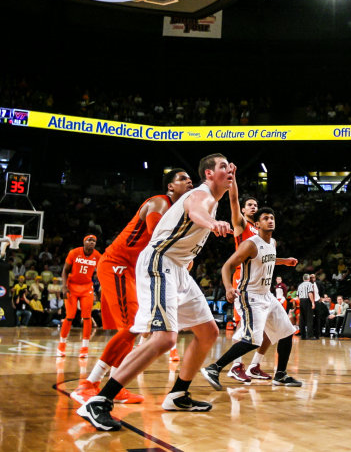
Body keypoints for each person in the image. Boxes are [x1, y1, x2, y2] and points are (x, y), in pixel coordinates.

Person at [77, 153, 233, 432]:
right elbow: (196, 211)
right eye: (223, 166)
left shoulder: (216, 198)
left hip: (179, 270)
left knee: (208, 332)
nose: (229, 170)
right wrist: (211, 224)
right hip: (160, 262)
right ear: (208, 174)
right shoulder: (201, 194)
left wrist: (230, 187)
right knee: (164, 338)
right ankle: (99, 400)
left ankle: (178, 394)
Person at [70, 168, 194, 405]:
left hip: (136, 270)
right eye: (182, 179)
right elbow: (156, 237)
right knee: (132, 326)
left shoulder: (179, 213)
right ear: (170, 186)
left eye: (190, 179)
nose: (189, 181)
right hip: (118, 264)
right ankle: (89, 384)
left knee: (137, 328)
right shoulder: (160, 202)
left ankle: (115, 386)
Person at [201, 207, 302, 389]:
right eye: (265, 218)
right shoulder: (250, 244)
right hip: (250, 296)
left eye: (272, 217)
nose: (270, 220)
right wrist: (228, 287)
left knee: (287, 331)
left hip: (266, 295)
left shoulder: (273, 243)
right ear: (257, 224)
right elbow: (227, 266)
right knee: (252, 340)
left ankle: (281, 374)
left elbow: (267, 258)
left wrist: (284, 260)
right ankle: (214, 368)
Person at [226, 166, 260, 382]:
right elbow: (234, 200)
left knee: (260, 326)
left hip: (258, 282)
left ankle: (254, 366)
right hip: (242, 279)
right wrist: (233, 179)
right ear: (244, 209)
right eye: (250, 205)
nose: (254, 207)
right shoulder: (241, 224)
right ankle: (235, 365)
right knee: (244, 324)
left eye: (256, 205)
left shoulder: (258, 229)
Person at [58, 235, 102, 358]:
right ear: (84, 242)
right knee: (70, 316)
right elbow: (65, 270)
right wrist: (64, 287)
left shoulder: (98, 256)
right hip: (72, 287)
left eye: (94, 241)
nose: (91, 242)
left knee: (87, 317)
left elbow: (101, 271)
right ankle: (61, 345)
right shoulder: (74, 252)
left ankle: (85, 347)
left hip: (87, 287)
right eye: (89, 240)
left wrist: (100, 288)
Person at [297, 274, 316, 339]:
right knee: (309, 318)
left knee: (302, 319)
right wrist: (313, 302)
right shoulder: (309, 284)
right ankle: (310, 335)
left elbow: (297, 296)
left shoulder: (300, 285)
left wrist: (300, 302)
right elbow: (310, 293)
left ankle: (303, 336)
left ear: (303, 279)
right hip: (307, 300)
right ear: (309, 278)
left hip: (301, 301)